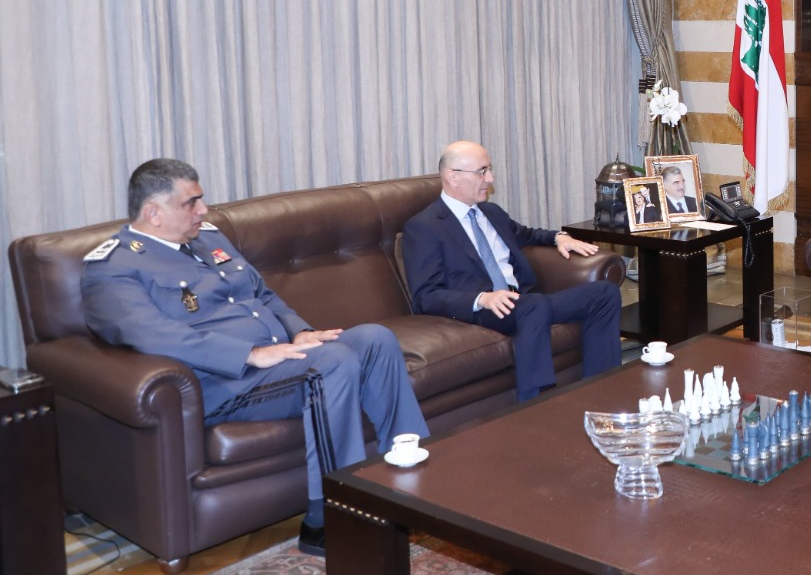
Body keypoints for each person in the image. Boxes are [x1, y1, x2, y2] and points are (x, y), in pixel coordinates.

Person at [81, 158, 427, 557]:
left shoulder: (207, 239)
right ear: (153, 212)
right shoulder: (113, 267)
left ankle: (407, 479)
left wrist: (299, 331)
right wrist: (250, 354)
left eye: (201, 199)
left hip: (278, 362)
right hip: (224, 384)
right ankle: (331, 518)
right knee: (332, 363)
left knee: (375, 339)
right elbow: (151, 334)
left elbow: (261, 294)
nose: (203, 210)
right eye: (191, 203)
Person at [402, 141, 621, 402]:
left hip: (522, 302)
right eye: (482, 171)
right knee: (534, 305)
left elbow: (527, 235)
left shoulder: (490, 212)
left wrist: (559, 238)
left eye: (489, 169)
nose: (490, 179)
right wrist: (482, 299)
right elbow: (426, 295)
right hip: (482, 309)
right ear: (453, 176)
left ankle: (601, 391)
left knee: (603, 294)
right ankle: (535, 404)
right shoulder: (425, 226)